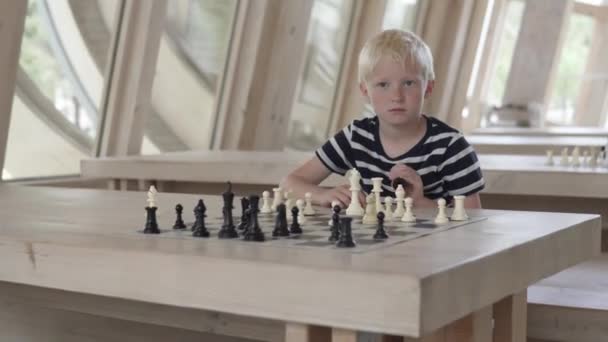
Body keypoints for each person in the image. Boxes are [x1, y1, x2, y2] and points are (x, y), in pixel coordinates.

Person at [281, 29, 483, 209]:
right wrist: (322, 194)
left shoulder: (451, 147)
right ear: (365, 90)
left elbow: (474, 220)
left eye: (408, 83)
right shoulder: (356, 137)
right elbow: (289, 184)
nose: (396, 96)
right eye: (383, 85)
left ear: (428, 88)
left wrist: (420, 203)